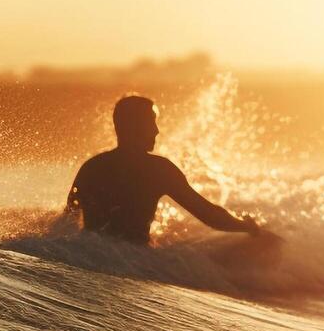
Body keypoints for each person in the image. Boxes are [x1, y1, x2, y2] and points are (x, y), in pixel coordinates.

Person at [64, 95, 269, 246]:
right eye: (151, 123)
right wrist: (249, 226)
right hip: (133, 262)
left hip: (92, 260)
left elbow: (67, 221)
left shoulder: (92, 167)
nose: (156, 130)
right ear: (134, 126)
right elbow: (209, 215)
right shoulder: (157, 170)